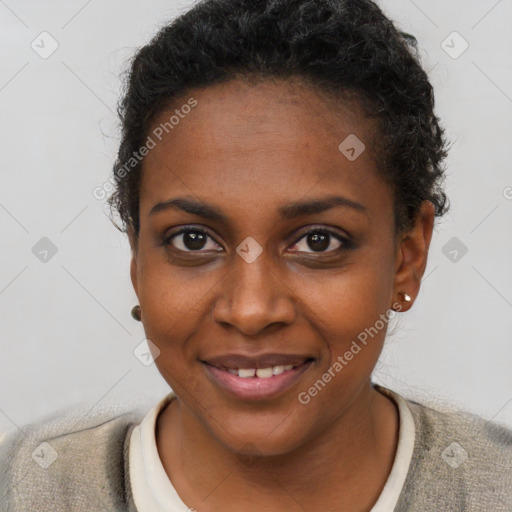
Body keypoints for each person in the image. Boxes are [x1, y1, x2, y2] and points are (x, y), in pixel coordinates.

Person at [1, 0, 511, 510]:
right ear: (137, 258)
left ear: (408, 254)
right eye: (193, 240)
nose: (249, 311)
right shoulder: (28, 490)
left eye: (318, 241)